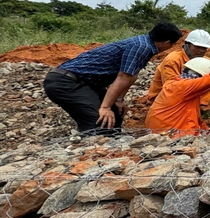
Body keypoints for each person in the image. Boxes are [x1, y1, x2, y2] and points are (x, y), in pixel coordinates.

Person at [43, 22, 182, 134]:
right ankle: (91, 153)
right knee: (99, 120)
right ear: (166, 42)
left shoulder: (145, 45)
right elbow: (123, 77)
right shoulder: (141, 47)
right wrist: (105, 107)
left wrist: (118, 100)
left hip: (86, 83)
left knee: (115, 113)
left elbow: (132, 75)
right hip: (65, 82)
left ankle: (113, 144)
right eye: (172, 44)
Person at [145, 51, 210, 135]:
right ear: (200, 76)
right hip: (167, 134)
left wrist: (206, 130)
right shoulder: (186, 86)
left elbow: (193, 116)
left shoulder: (177, 84)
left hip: (158, 130)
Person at [145, 29, 210, 105]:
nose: (201, 51)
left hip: (187, 95)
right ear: (187, 45)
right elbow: (171, 88)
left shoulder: (205, 61)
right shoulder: (173, 59)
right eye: (197, 47)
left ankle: (201, 104)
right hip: (162, 98)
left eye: (204, 48)